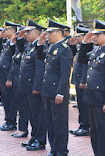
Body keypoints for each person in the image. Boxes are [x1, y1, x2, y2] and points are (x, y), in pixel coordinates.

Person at [79, 19, 105, 156]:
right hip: (92, 99)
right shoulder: (98, 50)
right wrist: (85, 43)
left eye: (98, 34)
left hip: (102, 101)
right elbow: (82, 59)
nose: (94, 37)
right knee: (95, 135)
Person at [36, 20, 73, 156]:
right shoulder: (52, 47)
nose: (47, 35)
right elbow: (40, 57)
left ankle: (62, 151)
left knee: (60, 124)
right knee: (50, 123)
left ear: (58, 33)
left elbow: (65, 74)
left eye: (50, 33)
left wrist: (60, 93)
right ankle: (54, 149)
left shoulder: (64, 49)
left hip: (57, 93)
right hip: (48, 91)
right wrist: (40, 44)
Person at [17, 20, 47, 149]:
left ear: (36, 32)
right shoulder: (29, 46)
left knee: (38, 115)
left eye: (28, 32)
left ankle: (40, 140)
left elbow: (40, 69)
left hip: (33, 87)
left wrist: (37, 87)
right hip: (26, 86)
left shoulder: (40, 47)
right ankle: (34, 137)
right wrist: (19, 38)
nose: (26, 34)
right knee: (31, 114)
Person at [0, 21, 20, 131]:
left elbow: (14, 61)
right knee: (6, 99)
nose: (4, 31)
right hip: (3, 74)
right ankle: (7, 120)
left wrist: (10, 78)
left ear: (12, 30)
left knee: (11, 100)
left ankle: (11, 122)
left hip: (8, 75)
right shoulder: (7, 42)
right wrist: (0, 37)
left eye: (7, 29)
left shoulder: (15, 42)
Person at [69, 26, 91, 137]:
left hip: (83, 81)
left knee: (84, 104)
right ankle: (82, 125)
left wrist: (83, 81)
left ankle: (85, 126)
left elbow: (85, 65)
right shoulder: (81, 47)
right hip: (78, 79)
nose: (76, 38)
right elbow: (73, 57)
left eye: (78, 36)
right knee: (80, 104)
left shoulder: (88, 48)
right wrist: (72, 46)